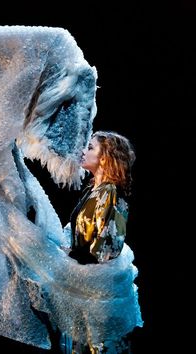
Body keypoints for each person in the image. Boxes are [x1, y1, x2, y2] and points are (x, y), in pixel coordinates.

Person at [63, 130, 140, 353]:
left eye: (90, 148)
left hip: (98, 293)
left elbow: (110, 247)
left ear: (105, 157)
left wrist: (73, 258)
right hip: (85, 286)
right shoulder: (94, 191)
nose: (82, 151)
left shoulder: (110, 192)